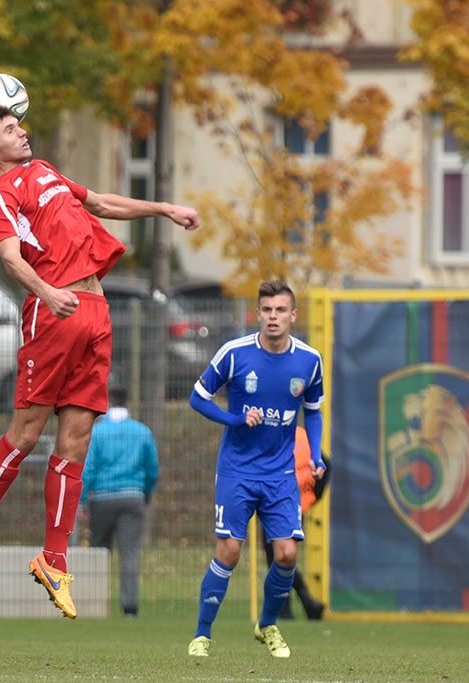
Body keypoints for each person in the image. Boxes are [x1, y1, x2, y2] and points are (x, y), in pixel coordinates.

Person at [0, 105, 199, 619]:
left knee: (77, 440)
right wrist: (47, 291)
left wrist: (164, 209)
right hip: (52, 311)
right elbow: (11, 257)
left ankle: (54, 559)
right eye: (11, 129)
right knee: (26, 434)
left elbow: (101, 203)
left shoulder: (45, 171)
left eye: (20, 125)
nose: (23, 132)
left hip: (95, 311)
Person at [186, 280, 325, 659]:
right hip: (237, 471)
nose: (273, 317)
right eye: (267, 310)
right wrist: (235, 418)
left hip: (281, 474)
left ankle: (267, 625)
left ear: (293, 315)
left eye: (280, 310)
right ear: (258, 314)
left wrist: (315, 454)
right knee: (230, 551)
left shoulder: (309, 360)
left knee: (287, 555)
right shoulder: (235, 353)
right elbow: (198, 397)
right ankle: (202, 634)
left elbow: (313, 411)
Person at [80, 385, 159, 619]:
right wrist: (146, 494)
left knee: (98, 552)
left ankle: (94, 603)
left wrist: (83, 500)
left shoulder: (97, 432)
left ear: (107, 403)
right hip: (133, 497)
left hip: (102, 498)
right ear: (127, 402)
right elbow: (152, 468)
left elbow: (88, 468)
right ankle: (130, 608)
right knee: (130, 553)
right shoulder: (142, 432)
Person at [260, 425, 329, 620]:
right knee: (284, 556)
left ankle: (290, 607)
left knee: (278, 557)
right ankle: (304, 604)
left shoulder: (271, 435)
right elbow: (326, 465)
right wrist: (313, 497)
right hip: (297, 506)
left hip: (275, 506)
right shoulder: (301, 434)